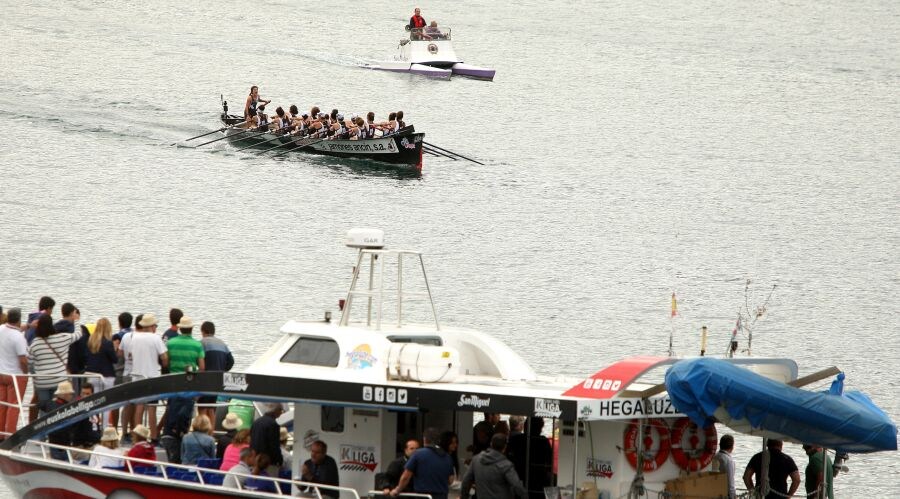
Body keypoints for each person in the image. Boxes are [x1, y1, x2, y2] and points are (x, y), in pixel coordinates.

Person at [122, 313, 167, 442]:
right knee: (152, 408)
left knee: (139, 406)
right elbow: (164, 358)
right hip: (152, 376)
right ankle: (153, 437)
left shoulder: (134, 338)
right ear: (152, 326)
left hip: (137, 376)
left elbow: (130, 356)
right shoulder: (156, 338)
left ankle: (137, 436)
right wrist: (162, 365)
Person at [163, 315, 204, 446]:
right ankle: (183, 435)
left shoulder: (170, 343)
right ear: (192, 328)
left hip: (173, 381)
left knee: (172, 409)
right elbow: (202, 368)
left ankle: (170, 435)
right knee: (186, 412)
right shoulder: (197, 345)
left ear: (180, 329)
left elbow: (166, 363)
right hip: (189, 382)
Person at [28, 314, 83, 405]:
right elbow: (78, 334)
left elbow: (29, 363)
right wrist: (76, 320)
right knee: (58, 408)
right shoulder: (62, 338)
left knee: (44, 409)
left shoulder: (35, 343)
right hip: (59, 381)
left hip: (42, 382)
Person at [389, 427, 454, 499]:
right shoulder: (447, 457)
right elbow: (450, 480)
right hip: (442, 496)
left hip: (423, 496)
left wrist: (397, 490)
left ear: (424, 439)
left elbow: (406, 477)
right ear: (438, 440)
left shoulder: (418, 454)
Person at [461, 433, 527, 499]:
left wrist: (464, 497)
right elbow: (517, 486)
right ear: (505, 447)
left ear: (491, 444)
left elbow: (466, 481)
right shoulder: (506, 465)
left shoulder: (476, 460)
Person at [507, 417, 553, 499]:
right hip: (538, 482)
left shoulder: (516, 439)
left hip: (519, 479)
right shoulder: (543, 441)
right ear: (539, 428)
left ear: (525, 426)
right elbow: (549, 463)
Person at [199, 320, 233, 429]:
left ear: (203, 331)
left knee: (202, 407)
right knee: (211, 408)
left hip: (205, 379)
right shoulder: (222, 343)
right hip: (218, 380)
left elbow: (199, 361)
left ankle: (201, 429)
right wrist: (223, 370)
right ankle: (211, 432)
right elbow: (231, 361)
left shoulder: (202, 343)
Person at [0, 308, 28, 437]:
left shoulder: (1, 329)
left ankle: (1, 433)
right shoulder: (19, 338)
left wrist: (28, 326)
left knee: (2, 404)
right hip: (15, 376)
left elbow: (13, 329)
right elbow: (23, 359)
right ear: (18, 319)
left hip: (1, 374)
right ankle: (10, 434)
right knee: (14, 406)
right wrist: (26, 373)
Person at [84, 317, 117, 401]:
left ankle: (95, 414)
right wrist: (115, 348)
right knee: (107, 401)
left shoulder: (90, 341)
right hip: (106, 375)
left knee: (94, 400)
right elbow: (114, 359)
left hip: (92, 374)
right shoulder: (108, 343)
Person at [41, 381, 75, 460]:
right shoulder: (69, 408)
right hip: (65, 443)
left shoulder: (50, 404)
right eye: (70, 394)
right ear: (65, 395)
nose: (71, 396)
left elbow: (39, 405)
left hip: (53, 442)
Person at [110, 311, 133, 432]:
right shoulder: (134, 335)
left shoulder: (117, 337)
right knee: (129, 404)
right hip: (131, 373)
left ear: (119, 323)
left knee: (115, 404)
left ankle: (114, 429)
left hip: (118, 373)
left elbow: (115, 355)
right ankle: (127, 430)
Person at [250, 402, 284, 471]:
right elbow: (274, 445)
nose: (281, 413)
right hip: (267, 462)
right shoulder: (273, 424)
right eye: (281, 410)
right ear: (277, 410)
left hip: (256, 460)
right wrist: (279, 460)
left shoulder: (256, 422)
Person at [71, 383, 102, 448]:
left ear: (92, 395)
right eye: (83, 393)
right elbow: (81, 433)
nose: (85, 396)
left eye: (87, 394)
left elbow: (96, 426)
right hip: (82, 445)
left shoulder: (95, 407)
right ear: (80, 394)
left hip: (94, 442)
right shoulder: (76, 409)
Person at [712, 434, 736, 499]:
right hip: (724, 494)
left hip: (713, 492)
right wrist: (733, 497)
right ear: (732, 447)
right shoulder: (729, 460)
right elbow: (730, 483)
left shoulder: (714, 457)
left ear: (720, 445)